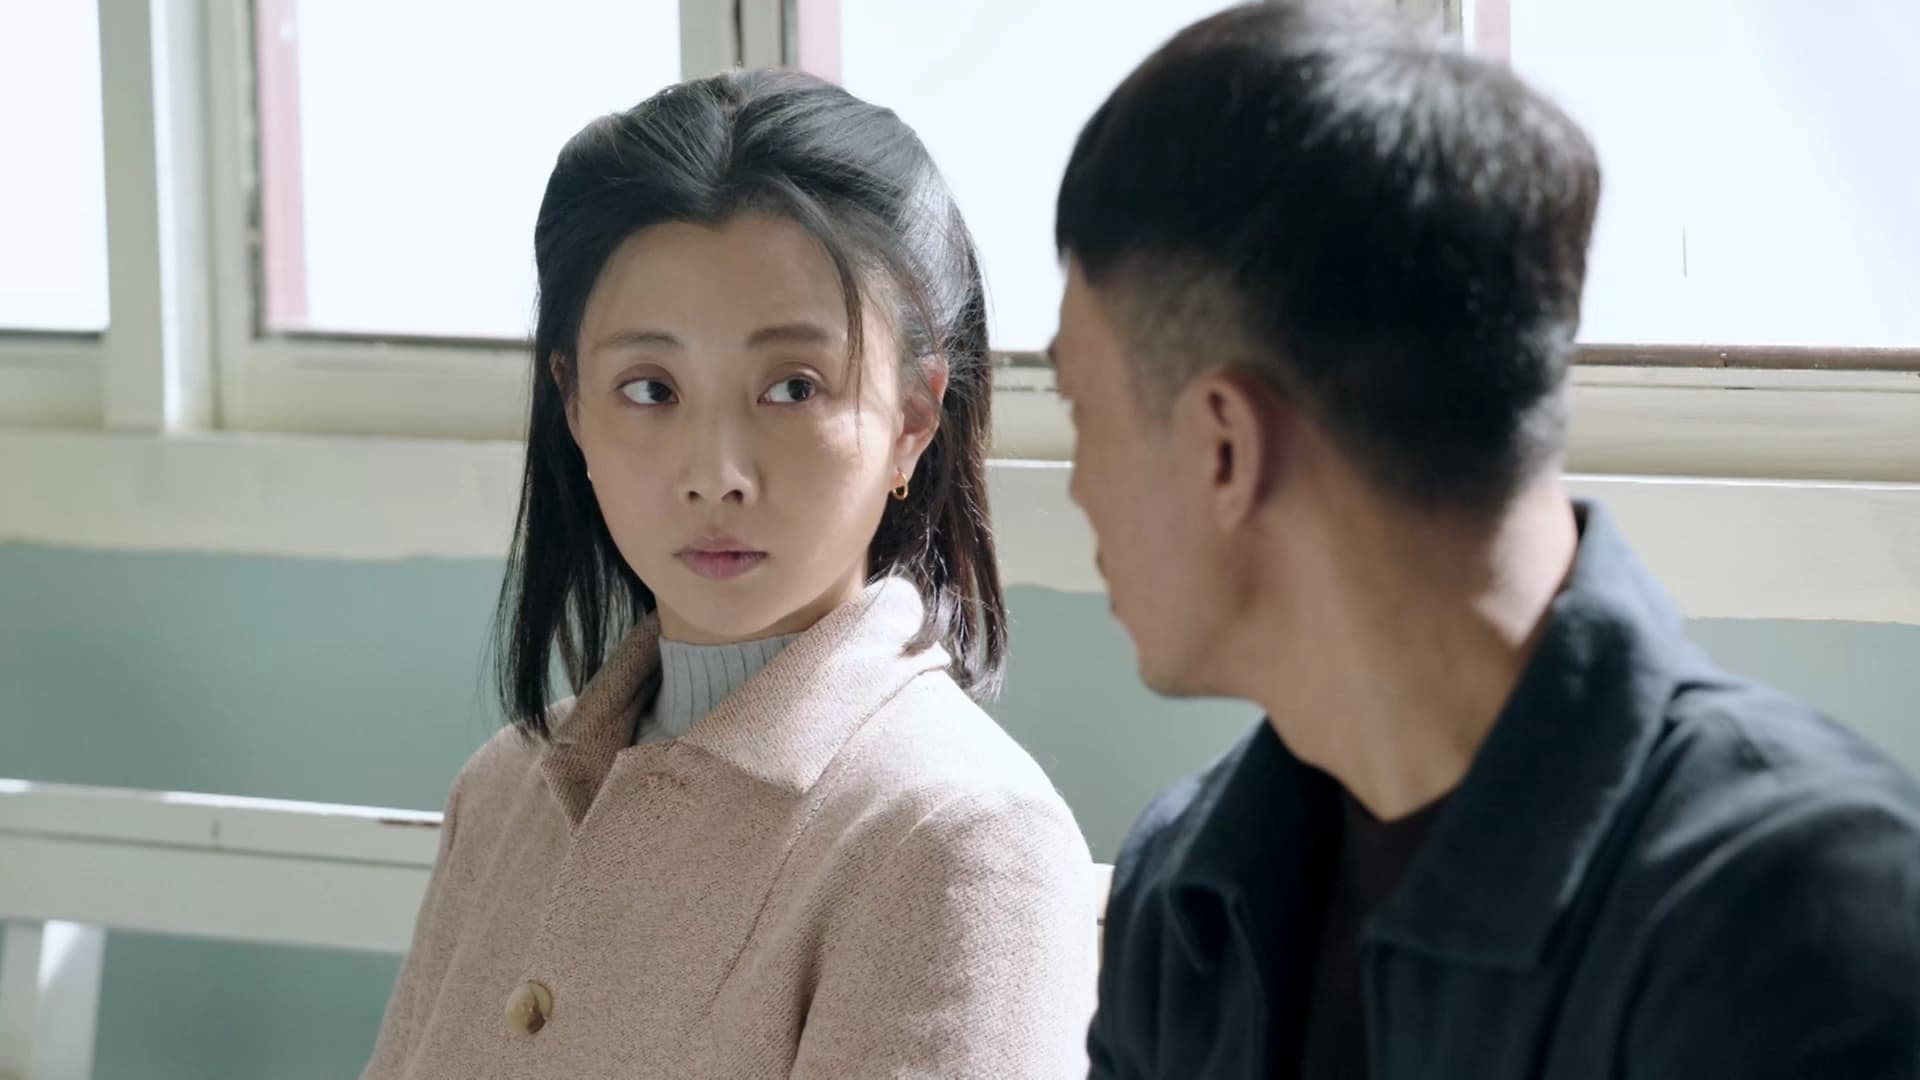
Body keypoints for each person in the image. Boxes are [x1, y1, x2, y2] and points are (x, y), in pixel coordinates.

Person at [1050, 4, 1920, 1078]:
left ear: (1224, 447)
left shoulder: (1798, 916)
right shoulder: (1187, 902)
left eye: (1082, 413)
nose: (1078, 488)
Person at [363, 69, 1098, 1079]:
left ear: (913, 416)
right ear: (573, 405)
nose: (716, 474)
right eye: (650, 388)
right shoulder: (503, 792)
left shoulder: (961, 838)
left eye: (794, 387)